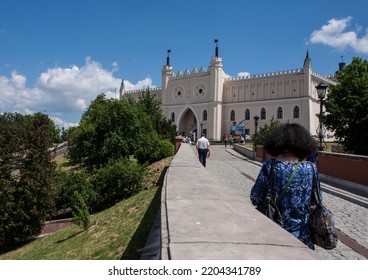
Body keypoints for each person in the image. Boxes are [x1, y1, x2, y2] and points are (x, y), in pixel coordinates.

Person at [250, 123, 320, 250]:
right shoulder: (311, 168)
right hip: (303, 235)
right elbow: (317, 199)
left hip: (275, 232)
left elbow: (256, 198)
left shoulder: (270, 166)